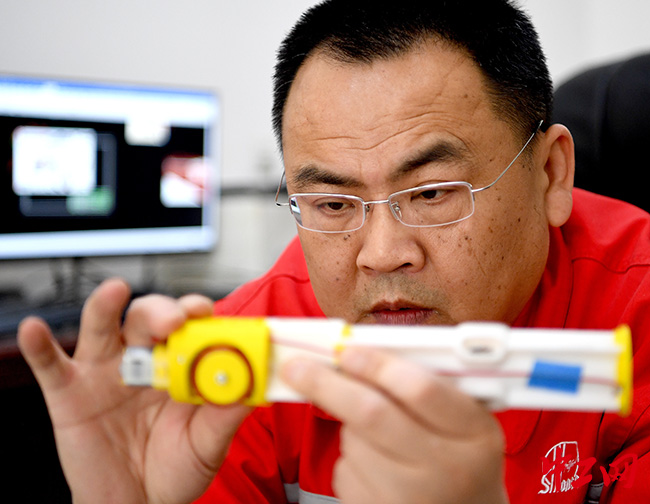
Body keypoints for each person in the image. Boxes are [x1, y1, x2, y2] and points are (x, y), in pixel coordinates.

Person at [16, 0, 650, 503]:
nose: (381, 254)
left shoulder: (639, 317)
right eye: (332, 204)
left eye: (432, 193)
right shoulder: (243, 359)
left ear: (551, 175)